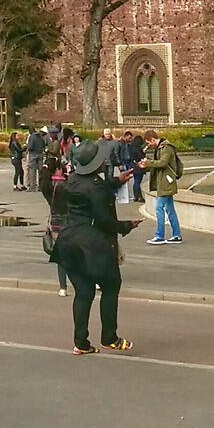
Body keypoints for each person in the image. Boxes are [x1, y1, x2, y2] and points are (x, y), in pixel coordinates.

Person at [53, 139, 133, 354]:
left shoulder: (72, 180)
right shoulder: (97, 188)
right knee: (111, 286)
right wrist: (127, 225)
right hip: (92, 245)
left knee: (84, 292)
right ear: (96, 164)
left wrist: (116, 182)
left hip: (68, 241)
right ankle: (109, 337)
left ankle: (81, 343)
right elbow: (105, 220)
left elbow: (86, 193)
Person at [142, 131, 184, 244]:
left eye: (148, 143)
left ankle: (160, 235)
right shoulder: (162, 147)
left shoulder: (166, 147)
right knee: (170, 209)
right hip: (165, 181)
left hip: (166, 182)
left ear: (152, 139)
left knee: (159, 208)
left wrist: (148, 163)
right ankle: (176, 235)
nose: (148, 145)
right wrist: (147, 164)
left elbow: (162, 163)